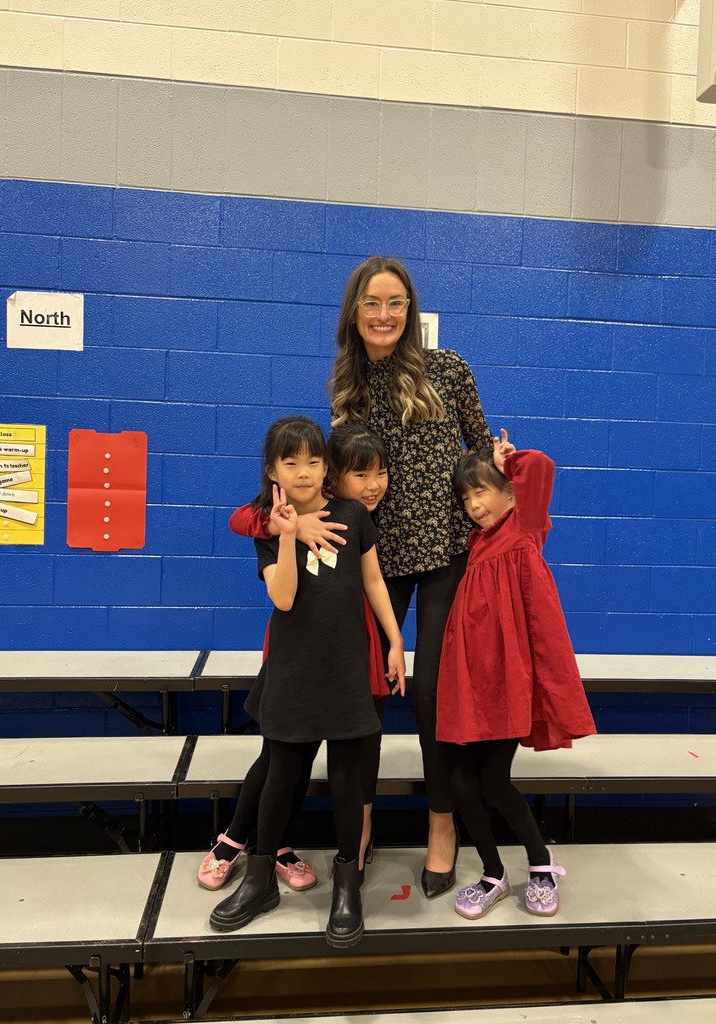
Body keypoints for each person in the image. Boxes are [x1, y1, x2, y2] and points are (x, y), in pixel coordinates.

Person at [329, 256, 492, 898]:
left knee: (432, 694)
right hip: (379, 558)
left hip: (449, 549)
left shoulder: (448, 368)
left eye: (396, 303)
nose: (384, 314)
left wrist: (496, 462)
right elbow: (343, 482)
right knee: (368, 693)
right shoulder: (347, 388)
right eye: (373, 302)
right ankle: (360, 829)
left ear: (410, 310)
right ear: (355, 311)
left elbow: (479, 447)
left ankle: (443, 829)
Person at [209, 417, 405, 948]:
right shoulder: (269, 526)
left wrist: (394, 641)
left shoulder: (353, 516)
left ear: (328, 467)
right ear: (271, 469)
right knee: (281, 777)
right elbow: (285, 599)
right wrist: (288, 534)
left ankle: (348, 885)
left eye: (314, 461)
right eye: (290, 462)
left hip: (347, 672)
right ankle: (259, 880)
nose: (304, 472)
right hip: (294, 673)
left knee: (347, 780)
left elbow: (372, 580)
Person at [436, 432, 596, 920]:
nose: (474, 504)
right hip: (470, 678)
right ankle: (492, 873)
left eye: (482, 490)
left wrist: (511, 461)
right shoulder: (477, 544)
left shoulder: (525, 528)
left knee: (493, 780)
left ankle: (541, 864)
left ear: (509, 491)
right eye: (466, 497)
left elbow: (543, 467)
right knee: (460, 781)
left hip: (508, 681)